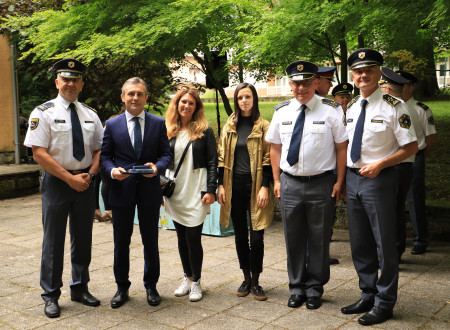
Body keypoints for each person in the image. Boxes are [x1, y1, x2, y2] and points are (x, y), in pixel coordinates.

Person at [341, 49, 418, 326]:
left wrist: (381, 165)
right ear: (352, 76)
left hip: (380, 179)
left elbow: (410, 147)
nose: (363, 75)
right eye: (358, 72)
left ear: (378, 73)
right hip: (353, 178)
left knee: (385, 243)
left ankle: (385, 302)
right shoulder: (351, 108)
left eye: (369, 70)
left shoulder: (394, 105)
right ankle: (368, 293)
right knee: (360, 243)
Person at [23, 58, 104, 318]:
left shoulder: (90, 114)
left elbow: (100, 149)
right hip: (58, 182)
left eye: (75, 79)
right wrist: (69, 179)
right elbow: (39, 154)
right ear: (57, 82)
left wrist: (90, 174)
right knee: (53, 241)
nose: (70, 83)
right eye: (65, 79)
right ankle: (50, 294)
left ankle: (80, 288)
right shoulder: (43, 112)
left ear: (81, 83)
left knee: (83, 238)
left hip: (86, 181)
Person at [266, 61, 348, 310]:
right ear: (290, 85)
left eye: (306, 83)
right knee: (294, 238)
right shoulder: (281, 112)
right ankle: (296, 287)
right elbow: (275, 148)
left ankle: (315, 288)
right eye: (296, 83)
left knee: (319, 238)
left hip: (321, 183)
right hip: (290, 183)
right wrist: (277, 180)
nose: (301, 88)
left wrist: (339, 182)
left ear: (315, 83)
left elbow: (342, 148)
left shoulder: (331, 111)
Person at [100, 77, 172, 308]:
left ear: (146, 98)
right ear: (123, 97)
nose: (135, 98)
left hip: (150, 190)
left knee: (150, 241)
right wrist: (112, 172)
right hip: (122, 190)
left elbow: (166, 155)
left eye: (140, 94)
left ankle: (151, 286)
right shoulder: (112, 125)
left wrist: (157, 168)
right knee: (121, 242)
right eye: (131, 94)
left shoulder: (158, 123)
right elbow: (104, 157)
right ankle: (122, 288)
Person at [217, 83, 274, 301]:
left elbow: (269, 158)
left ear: (254, 99)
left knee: (257, 236)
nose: (244, 101)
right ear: (236, 101)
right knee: (240, 235)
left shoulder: (264, 126)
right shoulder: (229, 126)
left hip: (256, 185)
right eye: (240, 97)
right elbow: (221, 157)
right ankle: (246, 278)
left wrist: (264, 187)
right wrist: (220, 184)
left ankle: (257, 281)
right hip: (234, 186)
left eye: (248, 97)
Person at [164, 87, 217, 302]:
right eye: (183, 102)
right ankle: (187, 277)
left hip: (196, 190)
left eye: (191, 103)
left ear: (196, 107)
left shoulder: (205, 131)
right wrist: (161, 191)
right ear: (177, 104)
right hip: (175, 192)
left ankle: (197, 282)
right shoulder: (168, 130)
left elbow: (213, 162)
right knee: (180, 237)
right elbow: (163, 162)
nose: (186, 106)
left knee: (193, 238)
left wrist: (211, 190)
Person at [378, 68, 424, 263]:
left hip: (395, 165)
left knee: (390, 211)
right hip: (404, 166)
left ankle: (393, 252)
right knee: (395, 209)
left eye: (380, 87)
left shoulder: (397, 108)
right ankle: (395, 251)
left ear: (387, 90)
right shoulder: (408, 107)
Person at [396, 70, 437, 255]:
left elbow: (431, 137)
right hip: (392, 159)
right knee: (392, 201)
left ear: (411, 87)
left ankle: (420, 240)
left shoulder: (421, 109)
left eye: (402, 85)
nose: (398, 89)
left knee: (415, 200)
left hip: (414, 159)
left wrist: (419, 155)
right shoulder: (390, 107)